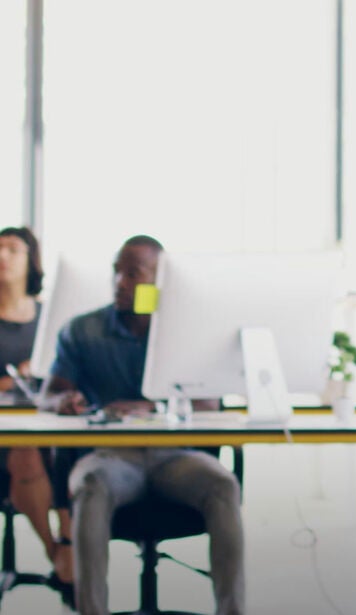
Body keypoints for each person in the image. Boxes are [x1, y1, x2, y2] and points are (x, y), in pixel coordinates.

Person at [39, 235, 244, 615]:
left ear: (160, 280)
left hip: (176, 457)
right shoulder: (83, 331)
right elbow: (49, 393)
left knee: (223, 483)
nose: (120, 282)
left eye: (133, 274)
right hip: (111, 458)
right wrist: (63, 401)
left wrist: (154, 406)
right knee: (89, 484)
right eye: (117, 271)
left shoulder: (187, 330)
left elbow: (210, 400)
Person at [0, 226, 73, 585]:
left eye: (12, 250)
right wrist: (11, 383)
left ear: (31, 261)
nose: (2, 257)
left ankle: (71, 542)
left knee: (73, 452)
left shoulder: (51, 318)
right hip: (7, 435)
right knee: (26, 450)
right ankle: (56, 551)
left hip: (49, 425)